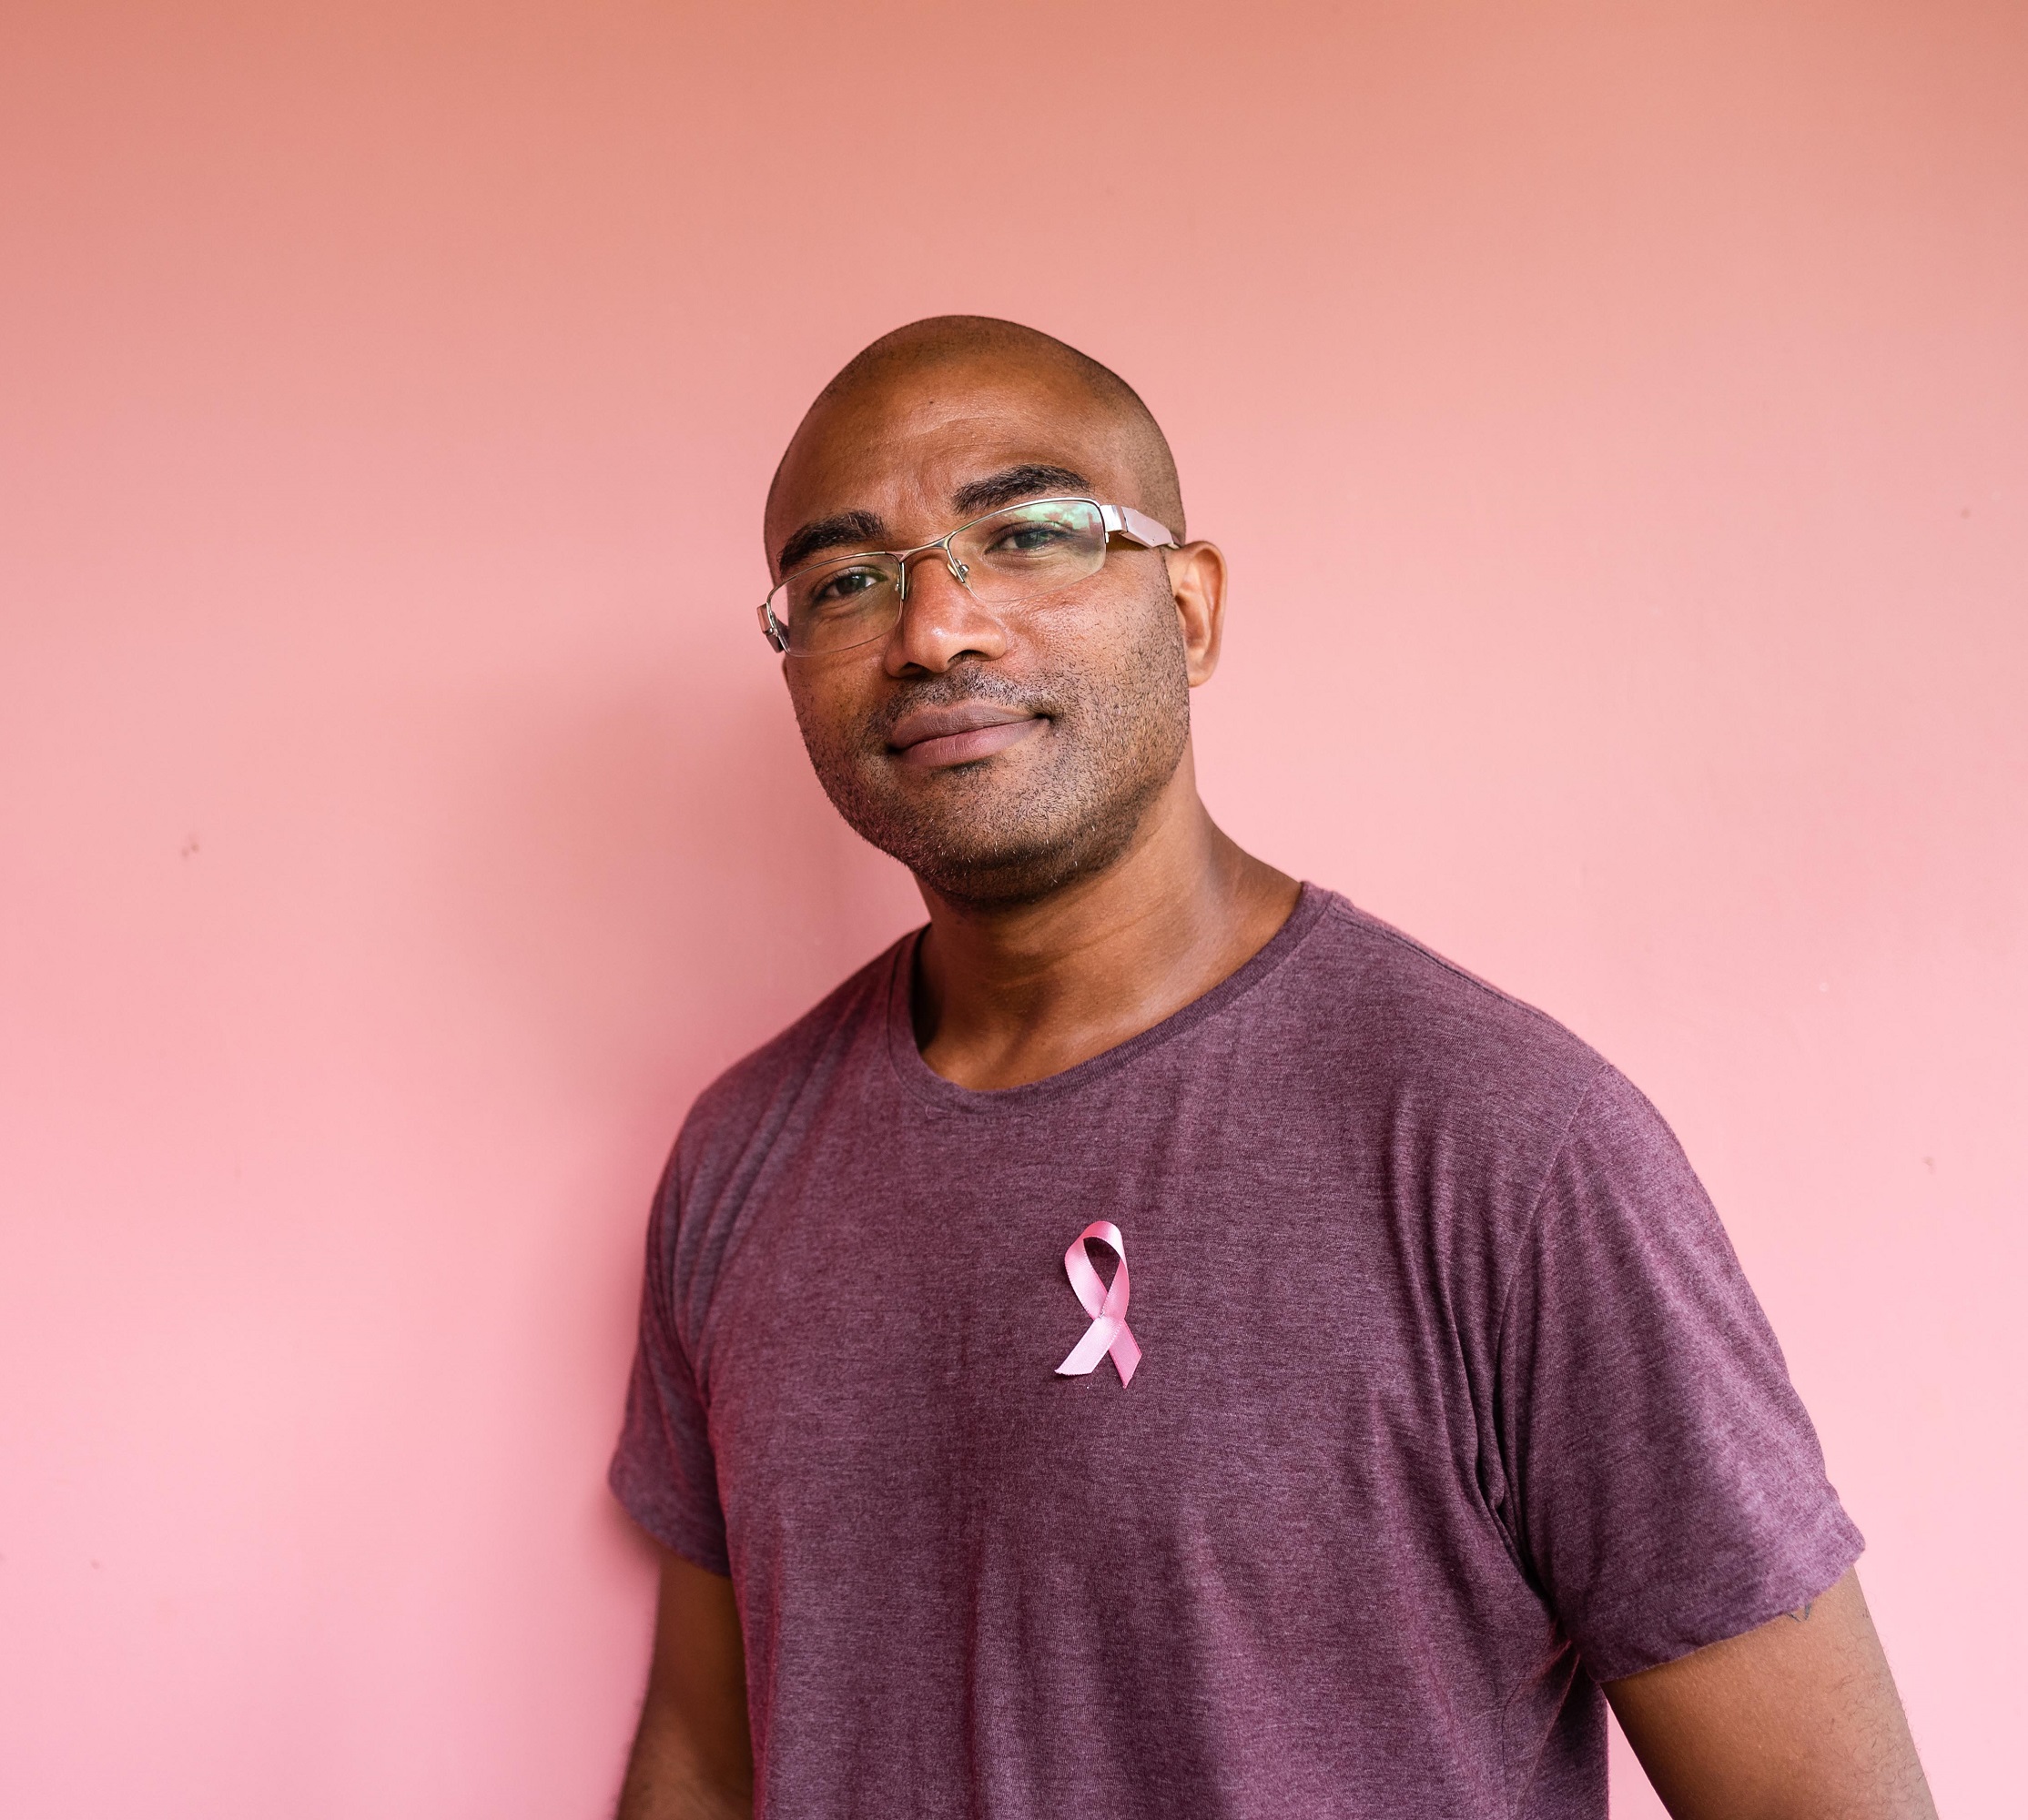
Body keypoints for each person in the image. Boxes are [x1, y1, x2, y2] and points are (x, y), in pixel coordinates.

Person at [606, 317, 1933, 1820]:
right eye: (846, 580)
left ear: (1190, 610)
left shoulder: (1505, 1150)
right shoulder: (741, 1159)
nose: (935, 629)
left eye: (1028, 535)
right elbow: (705, 1759)